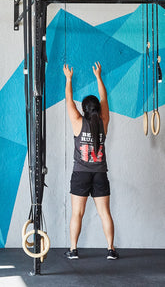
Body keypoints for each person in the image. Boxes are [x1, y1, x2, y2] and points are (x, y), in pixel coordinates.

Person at [63, 61, 119, 260]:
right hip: (100, 174)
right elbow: (104, 98)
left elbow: (68, 99)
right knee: (105, 213)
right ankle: (111, 250)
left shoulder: (78, 122)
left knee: (77, 213)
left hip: (80, 174)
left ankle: (73, 250)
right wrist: (98, 77)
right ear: (97, 109)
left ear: (84, 110)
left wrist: (69, 79)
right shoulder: (104, 122)